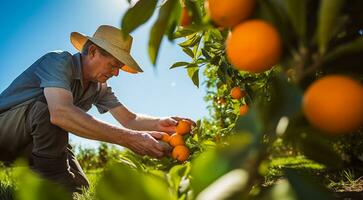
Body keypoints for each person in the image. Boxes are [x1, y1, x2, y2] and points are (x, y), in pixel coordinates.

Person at [0, 25, 193, 193]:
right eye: (114, 65)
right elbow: (60, 113)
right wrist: (129, 139)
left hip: (34, 140)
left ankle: (52, 181)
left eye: (120, 67)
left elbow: (130, 119)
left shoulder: (98, 87)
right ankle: (51, 187)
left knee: (81, 187)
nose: (116, 73)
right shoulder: (58, 61)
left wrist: (161, 123)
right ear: (92, 51)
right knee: (48, 112)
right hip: (6, 132)